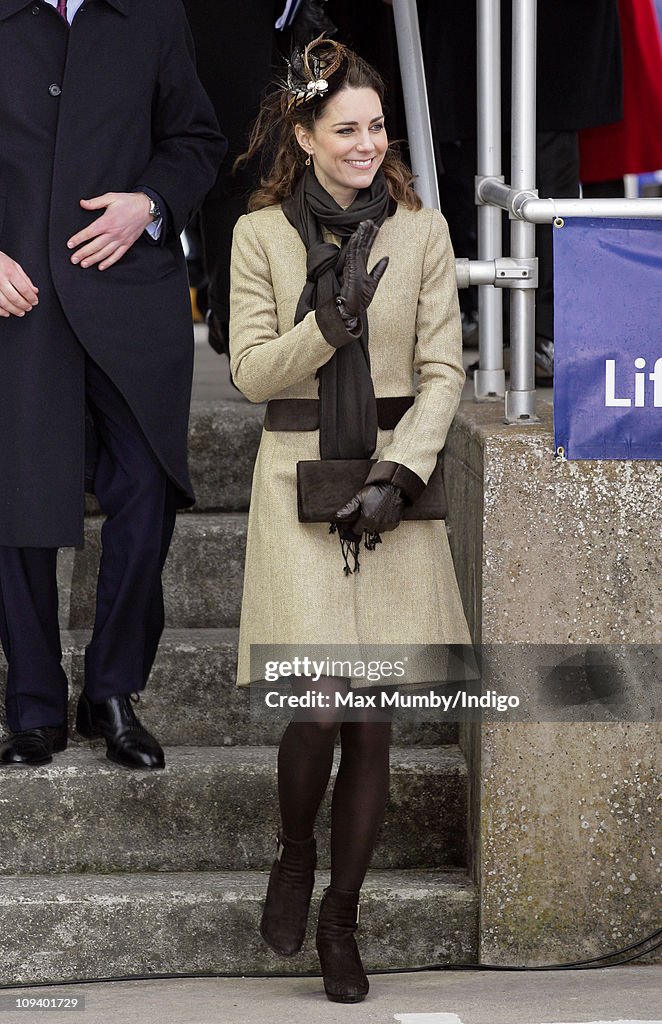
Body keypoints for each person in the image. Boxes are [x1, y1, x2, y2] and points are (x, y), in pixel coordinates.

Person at [229, 37, 470, 1003]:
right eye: (348, 129)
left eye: (378, 127)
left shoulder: (423, 229)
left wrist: (400, 475)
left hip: (391, 487)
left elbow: (447, 372)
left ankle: (341, 916)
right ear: (304, 134)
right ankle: (294, 854)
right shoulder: (260, 237)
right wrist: (331, 326)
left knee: (373, 720)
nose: (369, 144)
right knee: (320, 705)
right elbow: (249, 374)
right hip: (295, 482)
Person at [0, 0, 225, 770]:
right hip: (18, 301)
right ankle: (32, 704)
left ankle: (113, 690)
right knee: (17, 501)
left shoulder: (154, 14)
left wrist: (151, 206)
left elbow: (197, 138)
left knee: (145, 486)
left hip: (131, 295)